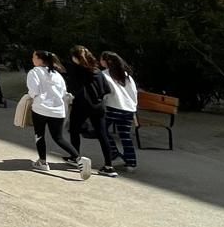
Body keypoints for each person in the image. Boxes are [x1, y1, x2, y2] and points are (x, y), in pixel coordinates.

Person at [26, 50, 84, 176]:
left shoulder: (34, 72)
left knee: (39, 135)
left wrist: (30, 97)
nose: (32, 59)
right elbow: (63, 92)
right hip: (58, 110)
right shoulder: (57, 75)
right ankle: (79, 158)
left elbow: (33, 91)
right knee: (58, 137)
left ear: (40, 60)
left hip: (40, 108)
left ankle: (42, 162)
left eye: (34, 57)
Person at [65, 46, 118, 177]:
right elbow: (106, 89)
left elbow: (72, 87)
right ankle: (109, 166)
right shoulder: (97, 71)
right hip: (98, 106)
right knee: (102, 134)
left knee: (74, 130)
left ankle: (75, 157)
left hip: (82, 105)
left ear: (76, 58)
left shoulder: (78, 70)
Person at [99, 51, 140, 172]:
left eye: (101, 59)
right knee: (125, 135)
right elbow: (134, 93)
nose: (100, 61)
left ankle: (114, 154)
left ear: (107, 61)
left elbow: (105, 92)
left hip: (113, 106)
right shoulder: (126, 75)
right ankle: (131, 162)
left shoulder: (104, 75)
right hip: (128, 109)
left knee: (102, 131)